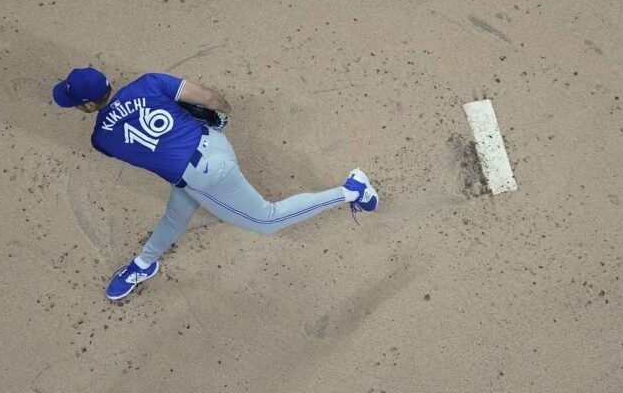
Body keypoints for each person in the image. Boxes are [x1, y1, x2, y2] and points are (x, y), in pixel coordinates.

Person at [52, 67, 379, 300]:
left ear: (87, 106)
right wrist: (224, 115)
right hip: (213, 143)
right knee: (174, 215)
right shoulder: (149, 82)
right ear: (109, 81)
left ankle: (352, 190)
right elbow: (208, 97)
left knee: (267, 220)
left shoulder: (100, 139)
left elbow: (141, 143)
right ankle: (142, 265)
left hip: (204, 177)